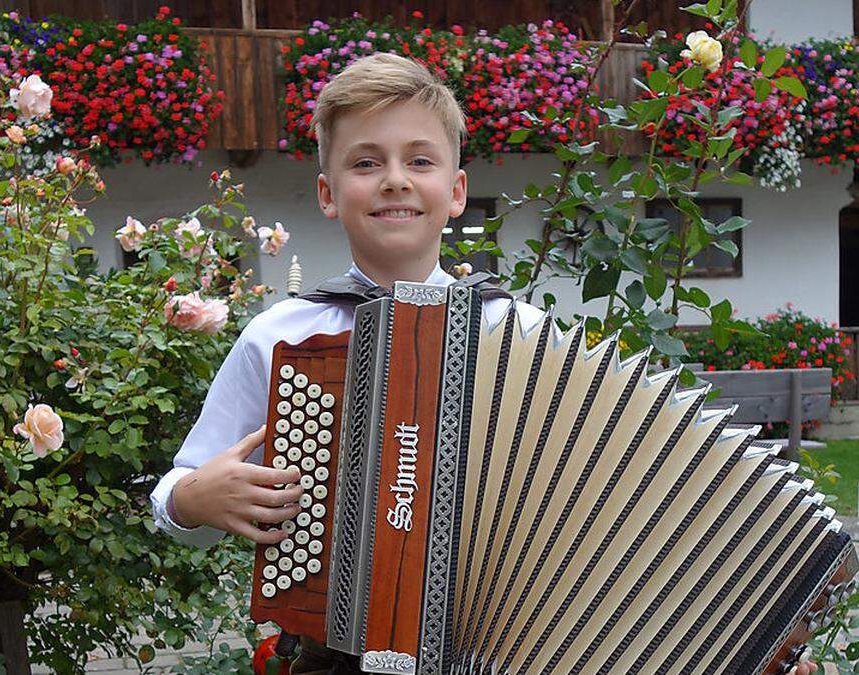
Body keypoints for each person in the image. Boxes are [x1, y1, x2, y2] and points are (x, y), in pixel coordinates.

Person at [149, 52, 817, 675]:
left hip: (504, 649)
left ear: (457, 189)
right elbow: (178, 491)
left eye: (419, 160)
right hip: (334, 652)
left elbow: (616, 503)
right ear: (327, 192)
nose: (394, 180)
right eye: (365, 163)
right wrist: (193, 498)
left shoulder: (515, 334)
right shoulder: (284, 337)